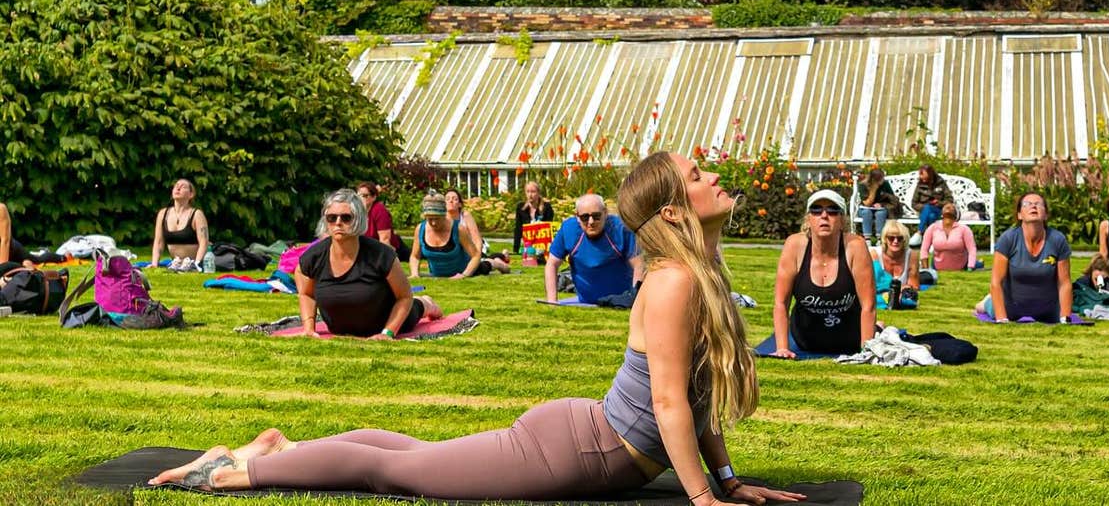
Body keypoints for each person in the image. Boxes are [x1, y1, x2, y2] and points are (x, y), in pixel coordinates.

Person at [148, 152, 807, 506]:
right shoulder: (675, 282)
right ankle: (233, 475)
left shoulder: (697, 273)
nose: (716, 175)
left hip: (584, 442)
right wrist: (701, 497)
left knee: (409, 455)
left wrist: (726, 481)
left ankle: (278, 447)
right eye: (698, 175)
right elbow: (667, 403)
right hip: (577, 451)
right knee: (395, 473)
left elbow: (694, 401)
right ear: (674, 209)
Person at [295, 189, 443, 338]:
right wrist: (309, 327)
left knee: (416, 306)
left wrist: (387, 333)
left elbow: (405, 297)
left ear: (358, 219)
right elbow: (306, 294)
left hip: (387, 321)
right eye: (332, 218)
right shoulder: (314, 256)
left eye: (346, 218)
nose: (338, 222)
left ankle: (426, 303)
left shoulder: (381, 255)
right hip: (339, 327)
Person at [771, 190, 876, 357]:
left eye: (833, 210)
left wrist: (866, 352)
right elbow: (780, 303)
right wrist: (782, 348)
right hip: (805, 341)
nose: (824, 215)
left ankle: (879, 329)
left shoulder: (855, 246)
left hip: (850, 340)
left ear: (842, 220)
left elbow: (868, 305)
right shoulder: (794, 245)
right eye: (816, 210)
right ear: (809, 219)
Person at [975, 192, 1072, 323]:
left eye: (1038, 204)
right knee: (983, 307)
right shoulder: (1008, 239)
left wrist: (1065, 317)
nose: (1033, 206)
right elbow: (996, 282)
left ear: (1046, 215)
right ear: (1019, 215)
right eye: (1027, 204)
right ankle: (987, 301)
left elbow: (1064, 283)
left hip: (1048, 310)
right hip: (1011, 307)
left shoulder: (1058, 240)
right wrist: (1002, 318)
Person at [545, 194, 642, 304]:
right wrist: (552, 301)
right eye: (585, 217)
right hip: (586, 301)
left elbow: (639, 265)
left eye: (596, 216)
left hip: (620, 301)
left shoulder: (620, 229)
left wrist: (635, 301)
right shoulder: (568, 229)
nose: (591, 222)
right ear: (577, 217)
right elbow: (552, 264)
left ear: (605, 213)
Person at [409, 191, 510, 279]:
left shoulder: (458, 229)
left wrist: (464, 275)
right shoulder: (420, 229)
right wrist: (414, 273)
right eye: (430, 219)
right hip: (437, 273)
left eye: (437, 218)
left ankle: (498, 264)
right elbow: (415, 256)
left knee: (484, 265)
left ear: (444, 215)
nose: (434, 223)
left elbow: (475, 256)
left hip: (467, 268)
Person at [150, 179, 210, 270]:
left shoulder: (197, 214)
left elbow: (204, 242)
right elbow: (158, 242)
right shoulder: (163, 213)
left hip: (194, 262)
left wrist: (196, 264)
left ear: (191, 194)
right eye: (176, 186)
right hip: (176, 263)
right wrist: (154, 264)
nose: (178, 188)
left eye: (183, 187)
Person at [873, 220, 918, 309]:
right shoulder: (874, 255)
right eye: (891, 238)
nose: (895, 241)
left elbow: (914, 285)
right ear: (885, 239)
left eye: (900, 238)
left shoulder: (911, 255)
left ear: (904, 240)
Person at [357, 182, 408, 261]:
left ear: (374, 197)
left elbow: (385, 240)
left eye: (365, 196)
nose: (361, 199)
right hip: (370, 249)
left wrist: (383, 262)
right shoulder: (356, 212)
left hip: (392, 249)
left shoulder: (379, 210)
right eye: (359, 196)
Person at [919, 202, 977, 271]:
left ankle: (978, 263)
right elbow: (924, 249)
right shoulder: (933, 228)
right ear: (941, 214)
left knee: (977, 264)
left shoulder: (964, 229)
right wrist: (926, 269)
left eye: (952, 207)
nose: (948, 207)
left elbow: (972, 249)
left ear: (956, 215)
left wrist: (970, 266)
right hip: (937, 266)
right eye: (946, 206)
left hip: (962, 266)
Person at [909, 165, 952, 245]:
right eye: (921, 177)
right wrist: (924, 207)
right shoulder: (920, 185)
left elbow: (949, 200)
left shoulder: (940, 183)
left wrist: (939, 203)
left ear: (931, 175)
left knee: (930, 209)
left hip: (938, 209)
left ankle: (919, 233)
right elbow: (914, 203)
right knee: (931, 215)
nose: (923, 180)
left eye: (925, 178)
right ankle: (932, 241)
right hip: (923, 211)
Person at [513, 181, 556, 256]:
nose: (530, 195)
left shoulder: (547, 207)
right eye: (528, 192)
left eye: (533, 192)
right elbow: (518, 229)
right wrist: (515, 249)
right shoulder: (520, 208)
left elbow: (549, 228)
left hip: (542, 243)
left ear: (538, 193)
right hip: (528, 243)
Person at [856, 169, 898, 246]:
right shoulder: (863, 185)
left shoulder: (885, 184)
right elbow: (867, 203)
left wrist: (881, 204)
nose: (883, 180)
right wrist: (874, 189)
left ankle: (880, 238)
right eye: (881, 179)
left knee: (881, 213)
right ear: (874, 180)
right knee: (866, 212)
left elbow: (893, 199)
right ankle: (867, 239)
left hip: (881, 208)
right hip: (865, 208)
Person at [0, 200, 31, 272]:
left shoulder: (1, 209)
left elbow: (5, 240)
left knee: (37, 259)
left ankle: (61, 257)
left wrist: (2, 268)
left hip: (12, 249)